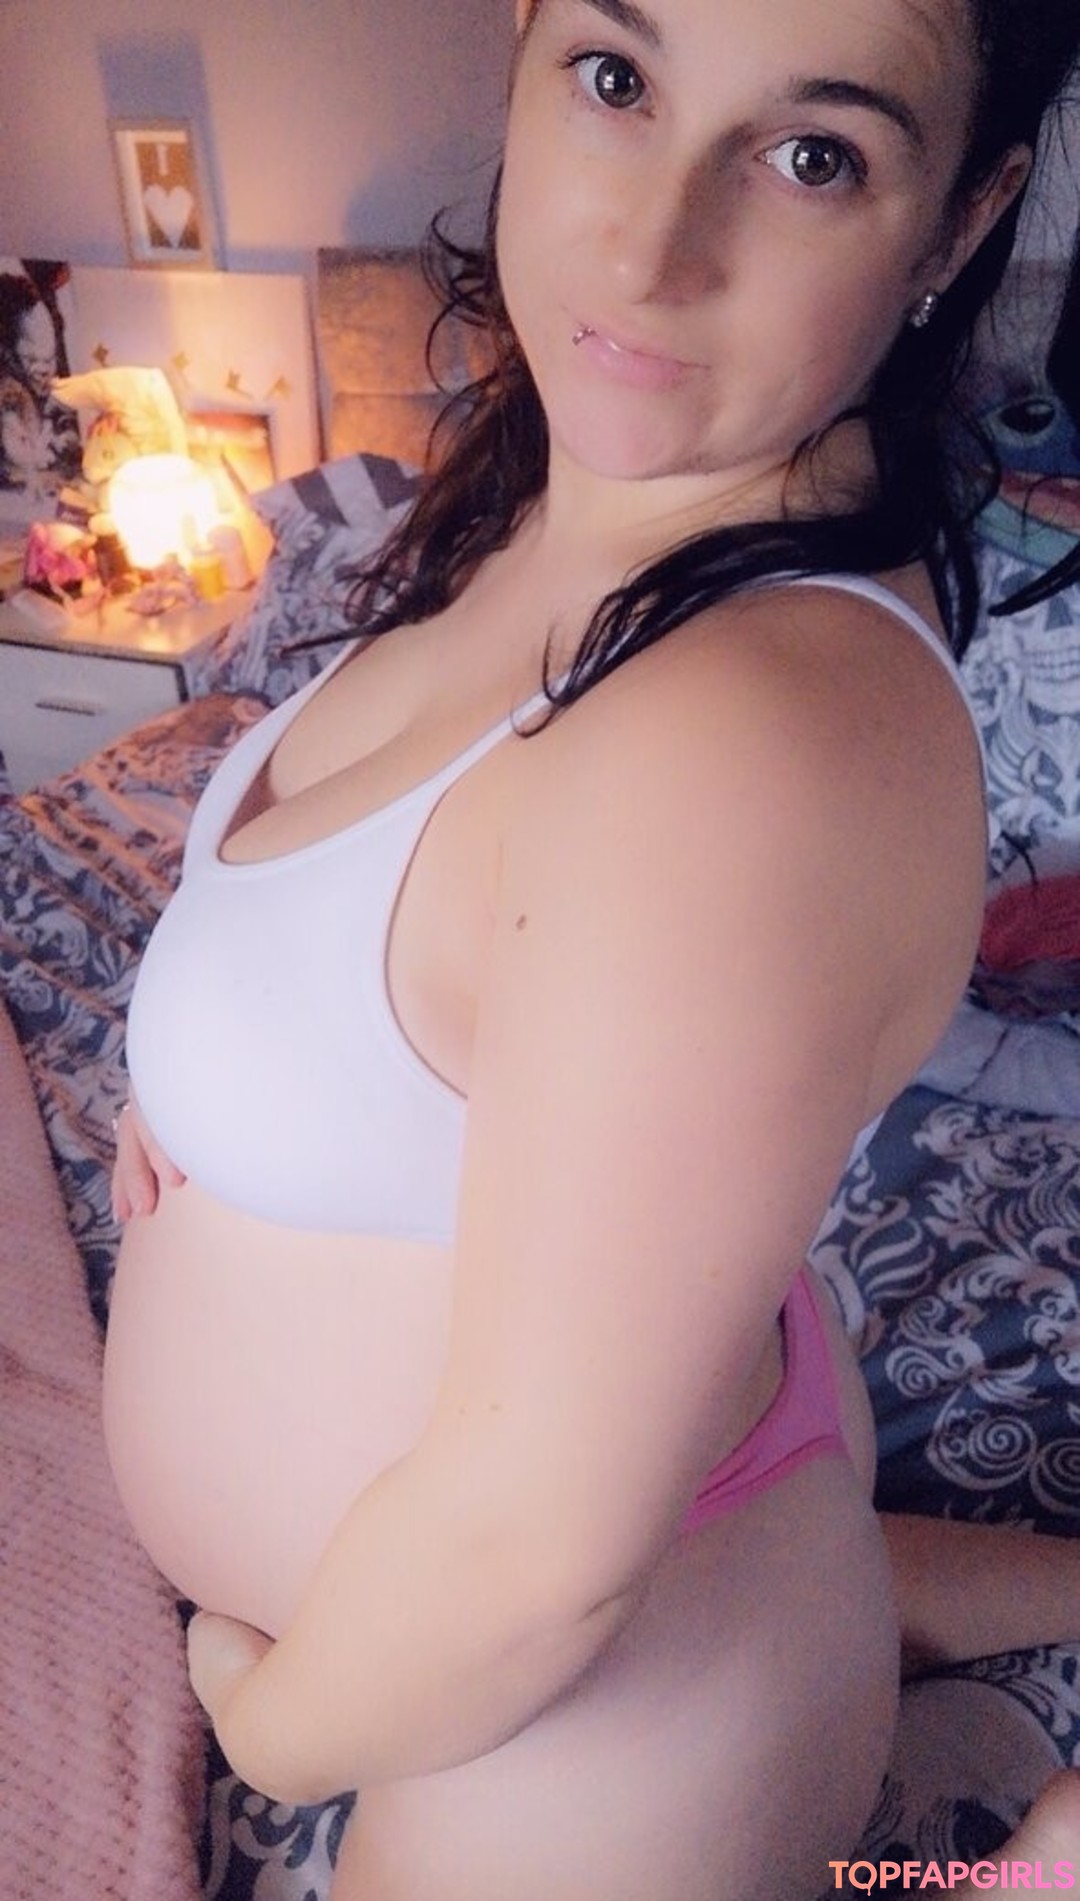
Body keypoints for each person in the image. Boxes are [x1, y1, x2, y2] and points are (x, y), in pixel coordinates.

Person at [105, 1, 1080, 1895]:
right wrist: (225, 1100)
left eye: (813, 155)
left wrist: (262, 1715)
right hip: (604, 1529)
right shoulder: (561, 510)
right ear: (528, 52)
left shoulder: (748, 740)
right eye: (619, 81)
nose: (647, 252)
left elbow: (534, 1559)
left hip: (589, 1697)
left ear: (962, 224)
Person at [0, 271, 81, 497]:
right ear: (8, 354)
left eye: (50, 359)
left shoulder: (52, 392)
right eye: (31, 359)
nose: (45, 371)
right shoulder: (11, 395)